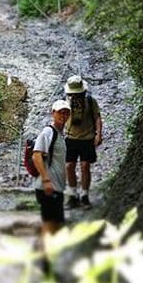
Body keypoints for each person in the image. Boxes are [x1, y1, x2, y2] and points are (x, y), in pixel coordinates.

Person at [33, 99, 71, 244]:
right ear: (53, 113)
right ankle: (44, 261)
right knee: (49, 225)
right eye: (60, 112)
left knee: (56, 225)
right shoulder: (48, 132)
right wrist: (46, 180)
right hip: (48, 187)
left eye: (66, 112)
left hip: (56, 187)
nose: (64, 115)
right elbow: (36, 155)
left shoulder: (60, 134)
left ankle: (47, 257)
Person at [63, 75, 103, 209]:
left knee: (85, 166)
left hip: (87, 138)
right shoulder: (64, 103)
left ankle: (84, 196)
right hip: (70, 138)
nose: (74, 96)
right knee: (69, 166)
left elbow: (97, 118)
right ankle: (72, 195)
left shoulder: (91, 101)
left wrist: (98, 134)